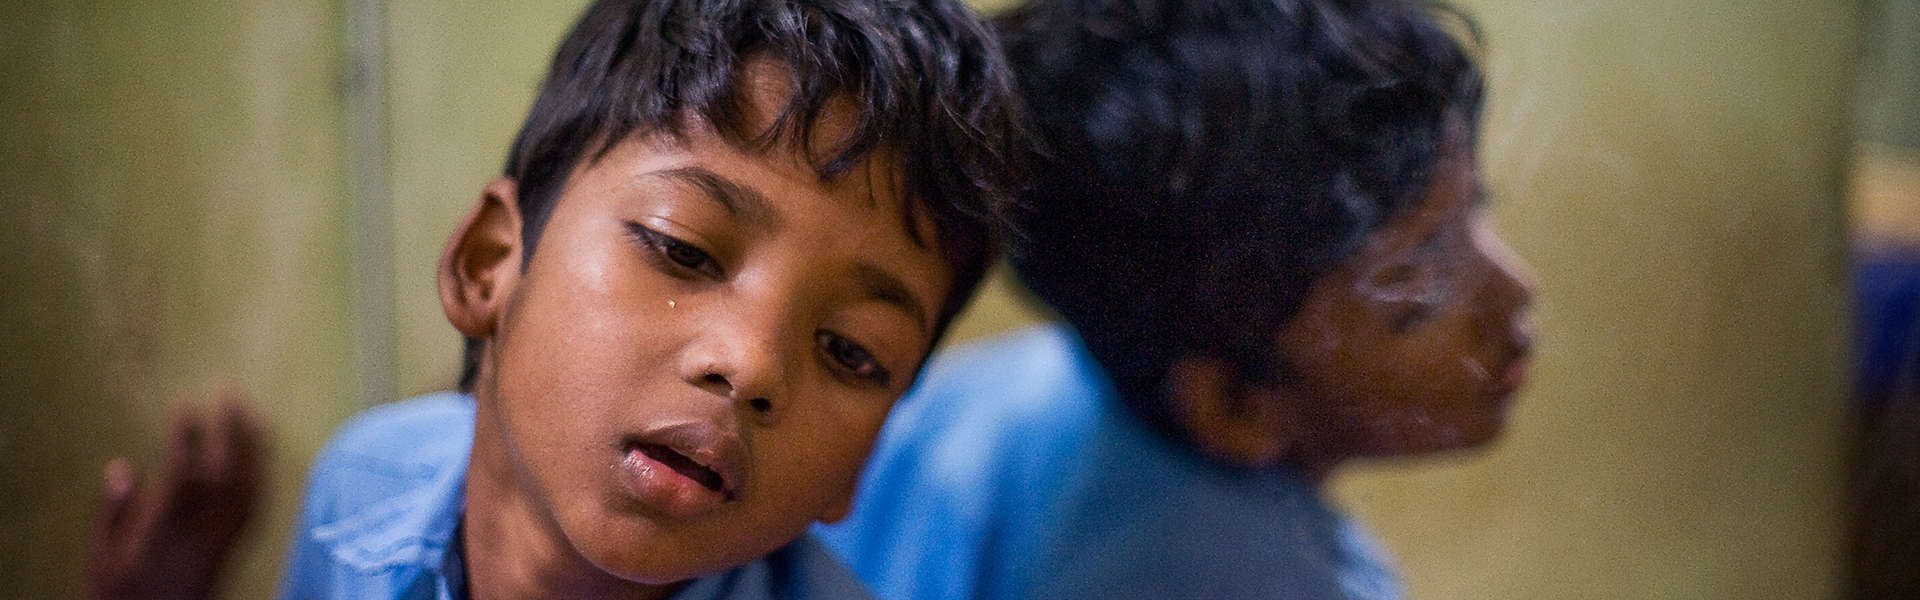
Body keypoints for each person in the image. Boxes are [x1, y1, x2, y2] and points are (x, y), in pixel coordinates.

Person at [87, 1, 1027, 599]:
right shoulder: (364, 488)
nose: (750, 365)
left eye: (852, 351)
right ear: (489, 265)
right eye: (682, 249)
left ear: (859, 466)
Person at [816, 0, 1534, 598]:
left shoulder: (1031, 377)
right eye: (1418, 299)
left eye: (1477, 209)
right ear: (1234, 406)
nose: (1516, 292)